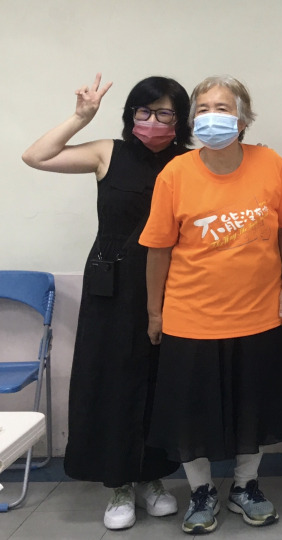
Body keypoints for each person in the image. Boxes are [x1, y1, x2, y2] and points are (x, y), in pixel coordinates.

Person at [21, 74, 190, 531]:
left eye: (165, 112)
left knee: (159, 380)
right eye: (144, 111)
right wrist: (80, 117)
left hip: (172, 283)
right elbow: (35, 156)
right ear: (131, 113)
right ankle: (118, 484)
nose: (153, 120)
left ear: (180, 119)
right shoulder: (106, 152)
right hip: (112, 283)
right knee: (112, 381)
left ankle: (153, 478)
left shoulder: (188, 162)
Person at [139, 75, 282, 535]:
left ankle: (246, 487)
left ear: (243, 119)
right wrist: (155, 312)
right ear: (193, 120)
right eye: (203, 108)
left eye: (223, 108)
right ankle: (202, 491)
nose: (212, 116)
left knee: (254, 408)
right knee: (192, 414)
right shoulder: (175, 174)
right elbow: (158, 249)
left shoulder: (271, 164)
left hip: (259, 313)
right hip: (191, 317)